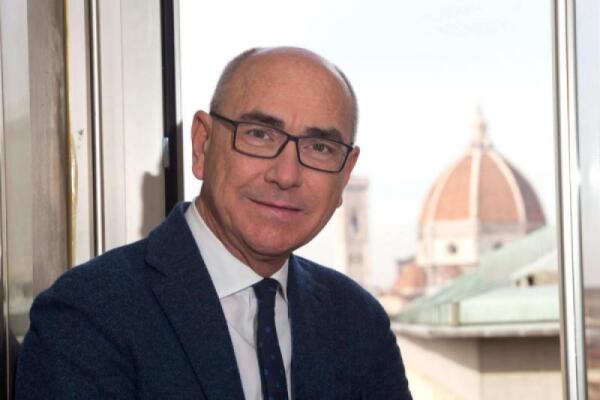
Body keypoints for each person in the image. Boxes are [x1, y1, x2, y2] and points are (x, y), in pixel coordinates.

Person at [15, 47, 412, 399]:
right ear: (202, 146)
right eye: (259, 134)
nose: (286, 174)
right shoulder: (88, 314)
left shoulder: (360, 321)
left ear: (345, 174)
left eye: (320, 147)